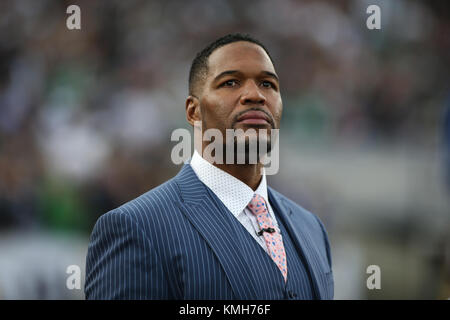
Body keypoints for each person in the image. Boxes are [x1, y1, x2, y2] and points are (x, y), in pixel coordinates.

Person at [84, 33, 334, 300]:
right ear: (193, 111)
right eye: (230, 82)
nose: (255, 95)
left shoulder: (312, 228)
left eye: (267, 84)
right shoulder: (137, 226)